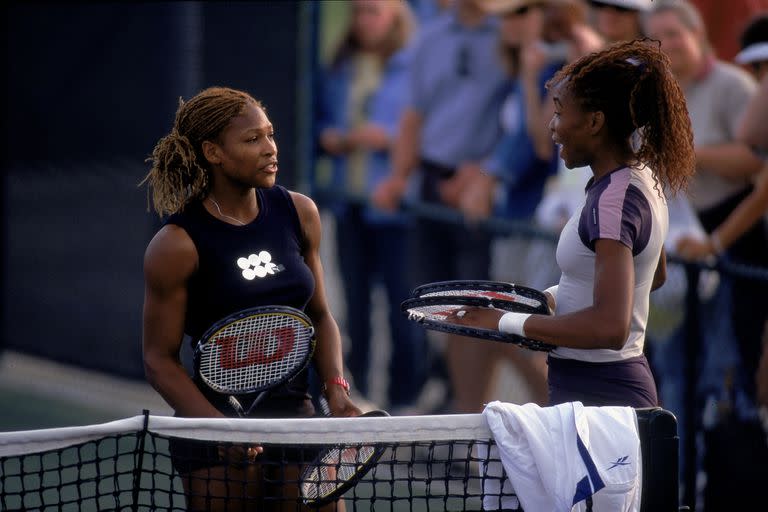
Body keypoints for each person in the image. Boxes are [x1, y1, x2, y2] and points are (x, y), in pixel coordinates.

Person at [141, 86, 362, 511]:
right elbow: (158, 360)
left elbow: (320, 315)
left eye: (271, 134)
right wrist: (219, 428)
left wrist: (335, 390)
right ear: (213, 152)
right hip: (212, 429)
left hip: (295, 418)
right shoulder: (176, 244)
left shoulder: (300, 213)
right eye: (252, 139)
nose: (270, 149)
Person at [450, 39, 696, 408]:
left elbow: (611, 328)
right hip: (599, 393)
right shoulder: (639, 177)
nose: (552, 126)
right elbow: (652, 275)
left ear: (595, 121)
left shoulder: (615, 200)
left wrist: (505, 322)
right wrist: (549, 299)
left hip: (602, 397)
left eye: (561, 112)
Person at [371, 0, 508, 413]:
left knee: (486, 313)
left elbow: (520, 119)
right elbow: (414, 115)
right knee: (445, 309)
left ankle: (478, 412)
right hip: (434, 187)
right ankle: (459, 408)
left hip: (487, 196)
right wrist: (398, 176)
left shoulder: (511, 34)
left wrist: (484, 173)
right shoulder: (430, 37)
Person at [452, 0, 569, 411]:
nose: (507, 23)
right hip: (515, 224)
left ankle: (555, 419)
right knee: (494, 333)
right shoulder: (522, 67)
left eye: (520, 13)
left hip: (540, 227)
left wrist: (489, 177)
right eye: (505, 15)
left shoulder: (553, 69)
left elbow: (539, 144)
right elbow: (510, 140)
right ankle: (469, 425)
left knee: (516, 336)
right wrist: (481, 173)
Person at [315, 0, 427, 411]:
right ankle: (352, 395)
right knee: (353, 309)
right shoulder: (341, 65)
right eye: (358, 11)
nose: (364, 20)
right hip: (351, 206)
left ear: (396, 15)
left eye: (373, 11)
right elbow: (322, 121)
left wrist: (392, 142)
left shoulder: (415, 65)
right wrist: (333, 136)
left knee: (405, 310)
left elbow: (427, 130)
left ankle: (405, 401)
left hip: (400, 212)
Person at [587, 0, 653, 45]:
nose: (608, 13)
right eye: (601, 5)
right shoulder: (585, 54)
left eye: (619, 8)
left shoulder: (648, 61)